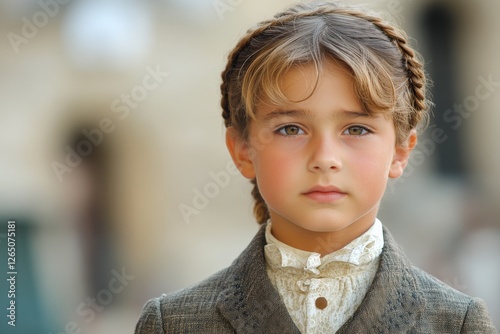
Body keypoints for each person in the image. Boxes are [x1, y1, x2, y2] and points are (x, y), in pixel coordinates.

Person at [135, 1, 496, 332]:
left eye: (356, 129)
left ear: (401, 151)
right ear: (243, 150)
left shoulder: (455, 322)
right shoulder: (174, 323)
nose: (324, 157)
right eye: (290, 129)